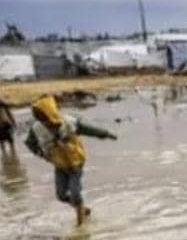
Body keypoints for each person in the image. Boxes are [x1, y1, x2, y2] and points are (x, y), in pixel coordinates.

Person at [24, 95, 118, 226]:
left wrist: (106, 134)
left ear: (51, 114)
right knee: (61, 196)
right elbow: (29, 143)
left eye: (45, 118)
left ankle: (80, 226)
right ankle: (82, 209)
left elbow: (88, 129)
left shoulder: (68, 122)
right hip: (60, 165)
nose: (45, 122)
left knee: (75, 193)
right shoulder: (37, 129)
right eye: (41, 119)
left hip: (76, 163)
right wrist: (41, 153)